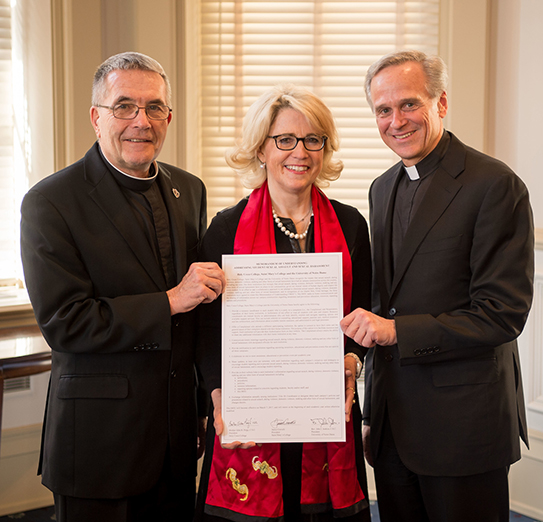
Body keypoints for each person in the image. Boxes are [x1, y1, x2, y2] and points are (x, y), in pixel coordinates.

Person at [20, 52, 225, 522]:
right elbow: (66, 323)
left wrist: (199, 406)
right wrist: (172, 300)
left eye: (155, 108)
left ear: (168, 118)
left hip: (175, 443)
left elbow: (197, 318)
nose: (141, 121)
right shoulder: (50, 202)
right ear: (97, 117)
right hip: (98, 447)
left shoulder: (189, 190)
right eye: (124, 106)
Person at [340, 50, 534, 522]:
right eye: (383, 110)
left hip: (463, 426)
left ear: (441, 103)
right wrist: (372, 415)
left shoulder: (495, 185)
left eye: (409, 104)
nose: (396, 121)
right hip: (393, 429)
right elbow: (385, 300)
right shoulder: (382, 187)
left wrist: (397, 332)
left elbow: (501, 314)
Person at [195, 84, 372, 521]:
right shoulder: (226, 227)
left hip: (326, 408)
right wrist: (218, 397)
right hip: (249, 412)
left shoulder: (350, 224)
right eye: (285, 140)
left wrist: (353, 358)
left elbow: (366, 310)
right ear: (261, 149)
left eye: (313, 140)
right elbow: (204, 329)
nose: (301, 152)